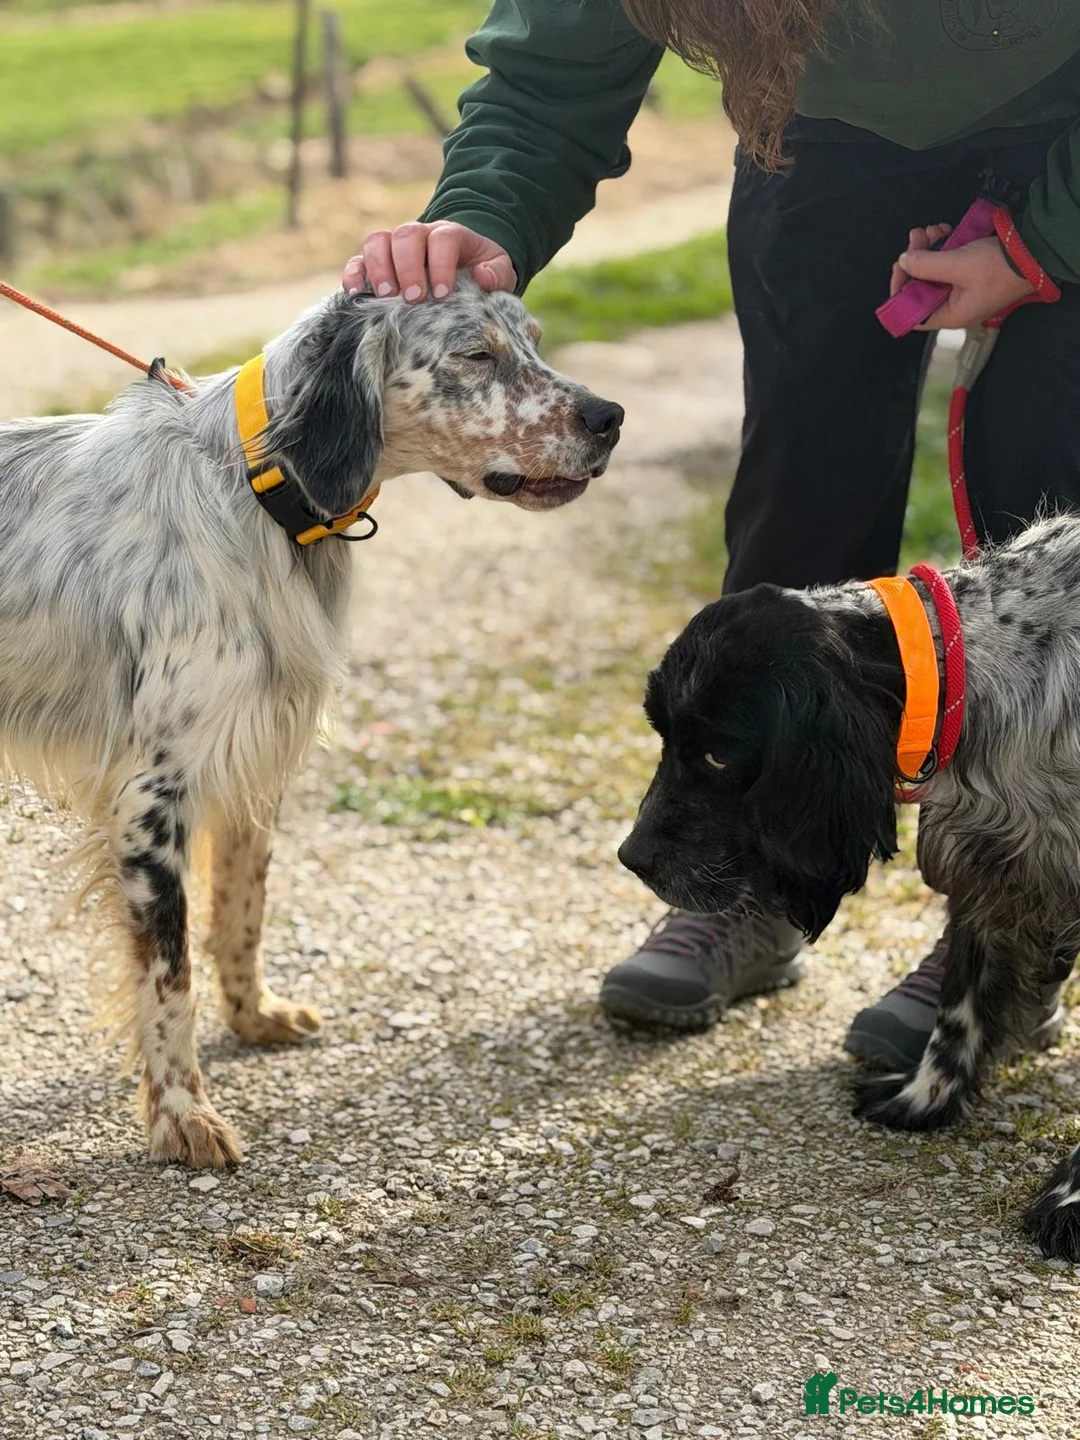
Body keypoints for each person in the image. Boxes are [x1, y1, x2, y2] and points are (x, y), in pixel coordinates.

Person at [343, 0, 1080, 1069]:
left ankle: (1014, 928)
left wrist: (1043, 240)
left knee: (1047, 500)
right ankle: (756, 884)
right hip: (821, 137)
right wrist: (484, 214)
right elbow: (549, 78)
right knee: (805, 480)